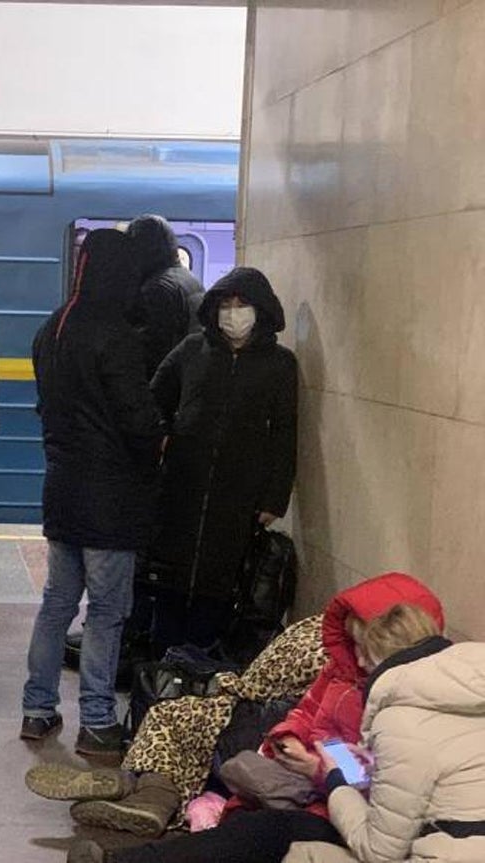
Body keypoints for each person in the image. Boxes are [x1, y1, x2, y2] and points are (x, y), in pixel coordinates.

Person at [60, 572, 445, 863]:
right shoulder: (345, 674)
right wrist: (291, 736)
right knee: (186, 725)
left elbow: (383, 797)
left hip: (338, 804)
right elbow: (307, 712)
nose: (360, 659)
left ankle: (139, 816)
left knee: (250, 830)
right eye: (356, 647)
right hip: (320, 789)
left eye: (367, 651)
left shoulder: (405, 711)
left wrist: (319, 767)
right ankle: (144, 793)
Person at [20, 228, 163, 760]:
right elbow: (137, 418)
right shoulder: (116, 333)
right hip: (111, 495)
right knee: (105, 611)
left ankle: (37, 710)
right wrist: (159, 443)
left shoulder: (50, 329)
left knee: (57, 604)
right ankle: (98, 720)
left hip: (62, 487)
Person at [147, 266, 298, 655]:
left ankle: (201, 665)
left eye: (242, 304)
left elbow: (284, 431)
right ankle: (162, 666)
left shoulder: (280, 364)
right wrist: (163, 435)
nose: (233, 313)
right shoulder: (192, 349)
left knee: (220, 578)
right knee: (170, 576)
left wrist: (273, 497)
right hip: (183, 483)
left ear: (261, 310)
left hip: (239, 491)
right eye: (225, 304)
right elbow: (155, 396)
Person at [283, 605, 485, 863]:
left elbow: (379, 852)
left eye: (363, 652)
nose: (358, 662)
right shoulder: (469, 684)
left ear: (379, 657)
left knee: (305, 854)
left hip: (449, 851)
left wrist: (335, 781)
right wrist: (378, 769)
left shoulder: (401, 721)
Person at [126, 214, 205, 379]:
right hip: (186, 377)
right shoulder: (188, 278)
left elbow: (152, 351)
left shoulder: (157, 289)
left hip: (165, 384)